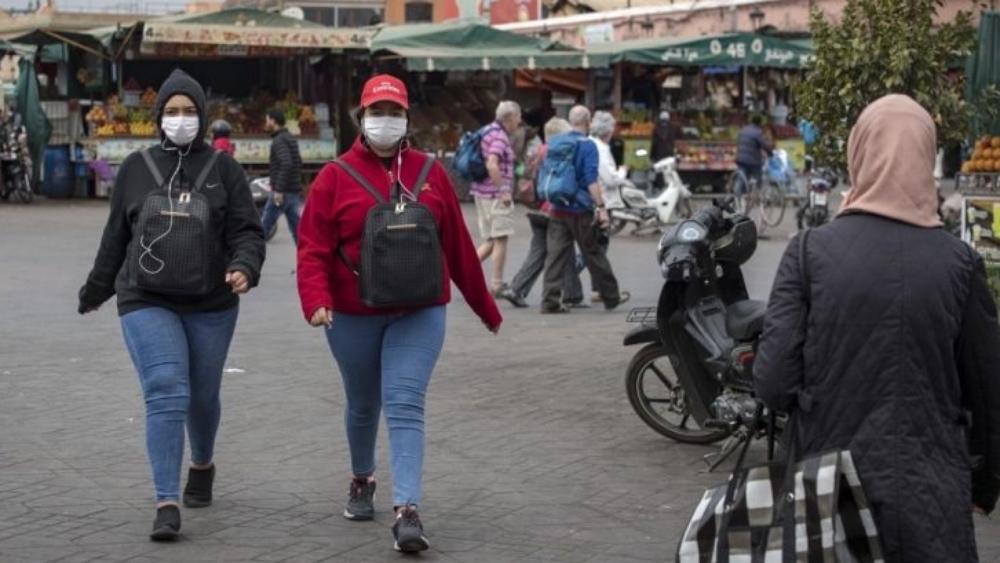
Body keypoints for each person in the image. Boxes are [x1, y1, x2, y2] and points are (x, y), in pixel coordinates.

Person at [754, 94, 1000, 562]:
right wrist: (984, 485)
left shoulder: (808, 253)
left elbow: (771, 384)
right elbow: (988, 392)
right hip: (932, 491)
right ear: (926, 158)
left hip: (829, 488)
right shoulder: (961, 264)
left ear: (858, 152)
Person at [296, 74, 502, 553]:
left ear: (406, 119)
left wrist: (485, 309)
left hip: (420, 309)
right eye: (376, 112)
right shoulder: (333, 178)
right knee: (364, 402)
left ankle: (407, 510)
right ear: (362, 118)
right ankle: (362, 477)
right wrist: (316, 301)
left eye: (393, 112)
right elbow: (312, 249)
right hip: (351, 312)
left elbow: (459, 249)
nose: (384, 121)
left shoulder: (431, 174)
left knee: (405, 402)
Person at [77, 69, 266, 541]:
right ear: (159, 115)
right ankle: (166, 500)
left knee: (201, 395)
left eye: (188, 111)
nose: (180, 119)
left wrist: (245, 264)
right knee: (166, 388)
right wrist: (96, 291)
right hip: (145, 297)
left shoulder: (225, 170)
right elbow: (116, 237)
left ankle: (201, 463)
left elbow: (247, 229)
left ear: (202, 116)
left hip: (212, 301)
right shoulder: (136, 168)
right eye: (171, 111)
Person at [540, 105, 630, 314]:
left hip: (557, 206)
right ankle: (611, 296)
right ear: (588, 122)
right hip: (580, 209)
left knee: (555, 256)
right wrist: (601, 207)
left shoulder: (557, 142)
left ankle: (550, 300)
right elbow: (591, 180)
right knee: (593, 252)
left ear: (571, 121)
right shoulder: (588, 145)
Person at [508, 117, 580, 308]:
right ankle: (570, 294)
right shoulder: (561, 151)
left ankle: (572, 293)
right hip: (555, 208)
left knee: (546, 250)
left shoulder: (539, 151)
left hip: (537, 208)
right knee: (555, 250)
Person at [472, 100, 521, 304]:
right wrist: (503, 190)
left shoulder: (486, 130)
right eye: (518, 117)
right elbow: (492, 164)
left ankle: (461, 272)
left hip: (481, 192)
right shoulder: (500, 137)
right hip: (495, 195)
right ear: (509, 118)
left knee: (491, 240)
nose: (519, 122)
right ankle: (497, 283)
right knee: (500, 238)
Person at [262, 109, 303, 246]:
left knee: (262, 230)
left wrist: (279, 190)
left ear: (273, 121)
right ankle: (306, 265)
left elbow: (286, 163)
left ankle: (247, 262)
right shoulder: (289, 137)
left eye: (267, 120)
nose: (266, 123)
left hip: (283, 193)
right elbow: (298, 161)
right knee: (299, 233)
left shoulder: (279, 140)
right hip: (292, 191)